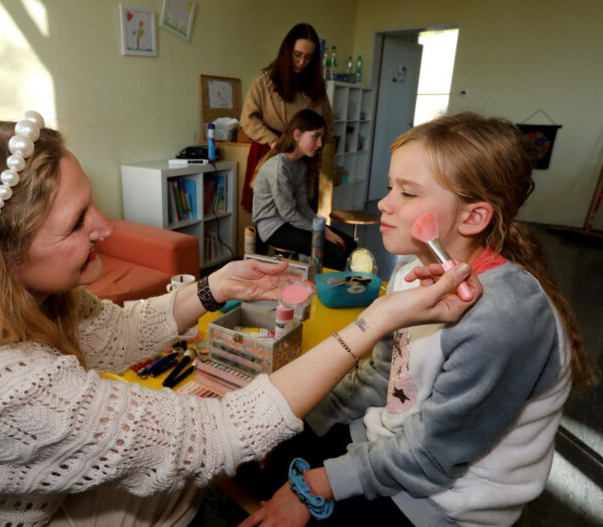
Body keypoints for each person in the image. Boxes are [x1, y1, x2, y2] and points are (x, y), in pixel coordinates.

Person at [0, 112, 481, 526]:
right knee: (181, 464)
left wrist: (211, 288)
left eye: (90, 204)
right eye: (77, 223)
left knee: (169, 479)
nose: (106, 228)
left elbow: (110, 332)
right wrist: (377, 321)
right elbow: (215, 433)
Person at [240, 112, 598, 527]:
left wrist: (314, 485)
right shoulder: (414, 266)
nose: (384, 204)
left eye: (407, 193)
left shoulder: (505, 318)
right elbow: (386, 379)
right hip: (395, 441)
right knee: (258, 461)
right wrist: (303, 423)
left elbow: (434, 454)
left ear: (473, 217)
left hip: (444, 500)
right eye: (392, 187)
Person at [240, 22, 334, 214]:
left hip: (304, 158)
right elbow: (248, 119)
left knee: (300, 213)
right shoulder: (264, 80)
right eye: (297, 55)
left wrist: (316, 146)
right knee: (267, 214)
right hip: (270, 151)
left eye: (308, 58)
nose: (301, 62)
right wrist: (275, 142)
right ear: (286, 51)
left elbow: (328, 125)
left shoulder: (317, 86)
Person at [252, 109, 355, 269]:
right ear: (297, 134)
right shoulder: (278, 168)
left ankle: (344, 287)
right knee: (335, 252)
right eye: (315, 137)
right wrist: (324, 232)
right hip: (273, 228)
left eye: (321, 138)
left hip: (289, 221)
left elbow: (302, 206)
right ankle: (324, 290)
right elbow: (288, 213)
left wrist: (322, 227)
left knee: (349, 244)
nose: (320, 144)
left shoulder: (300, 165)